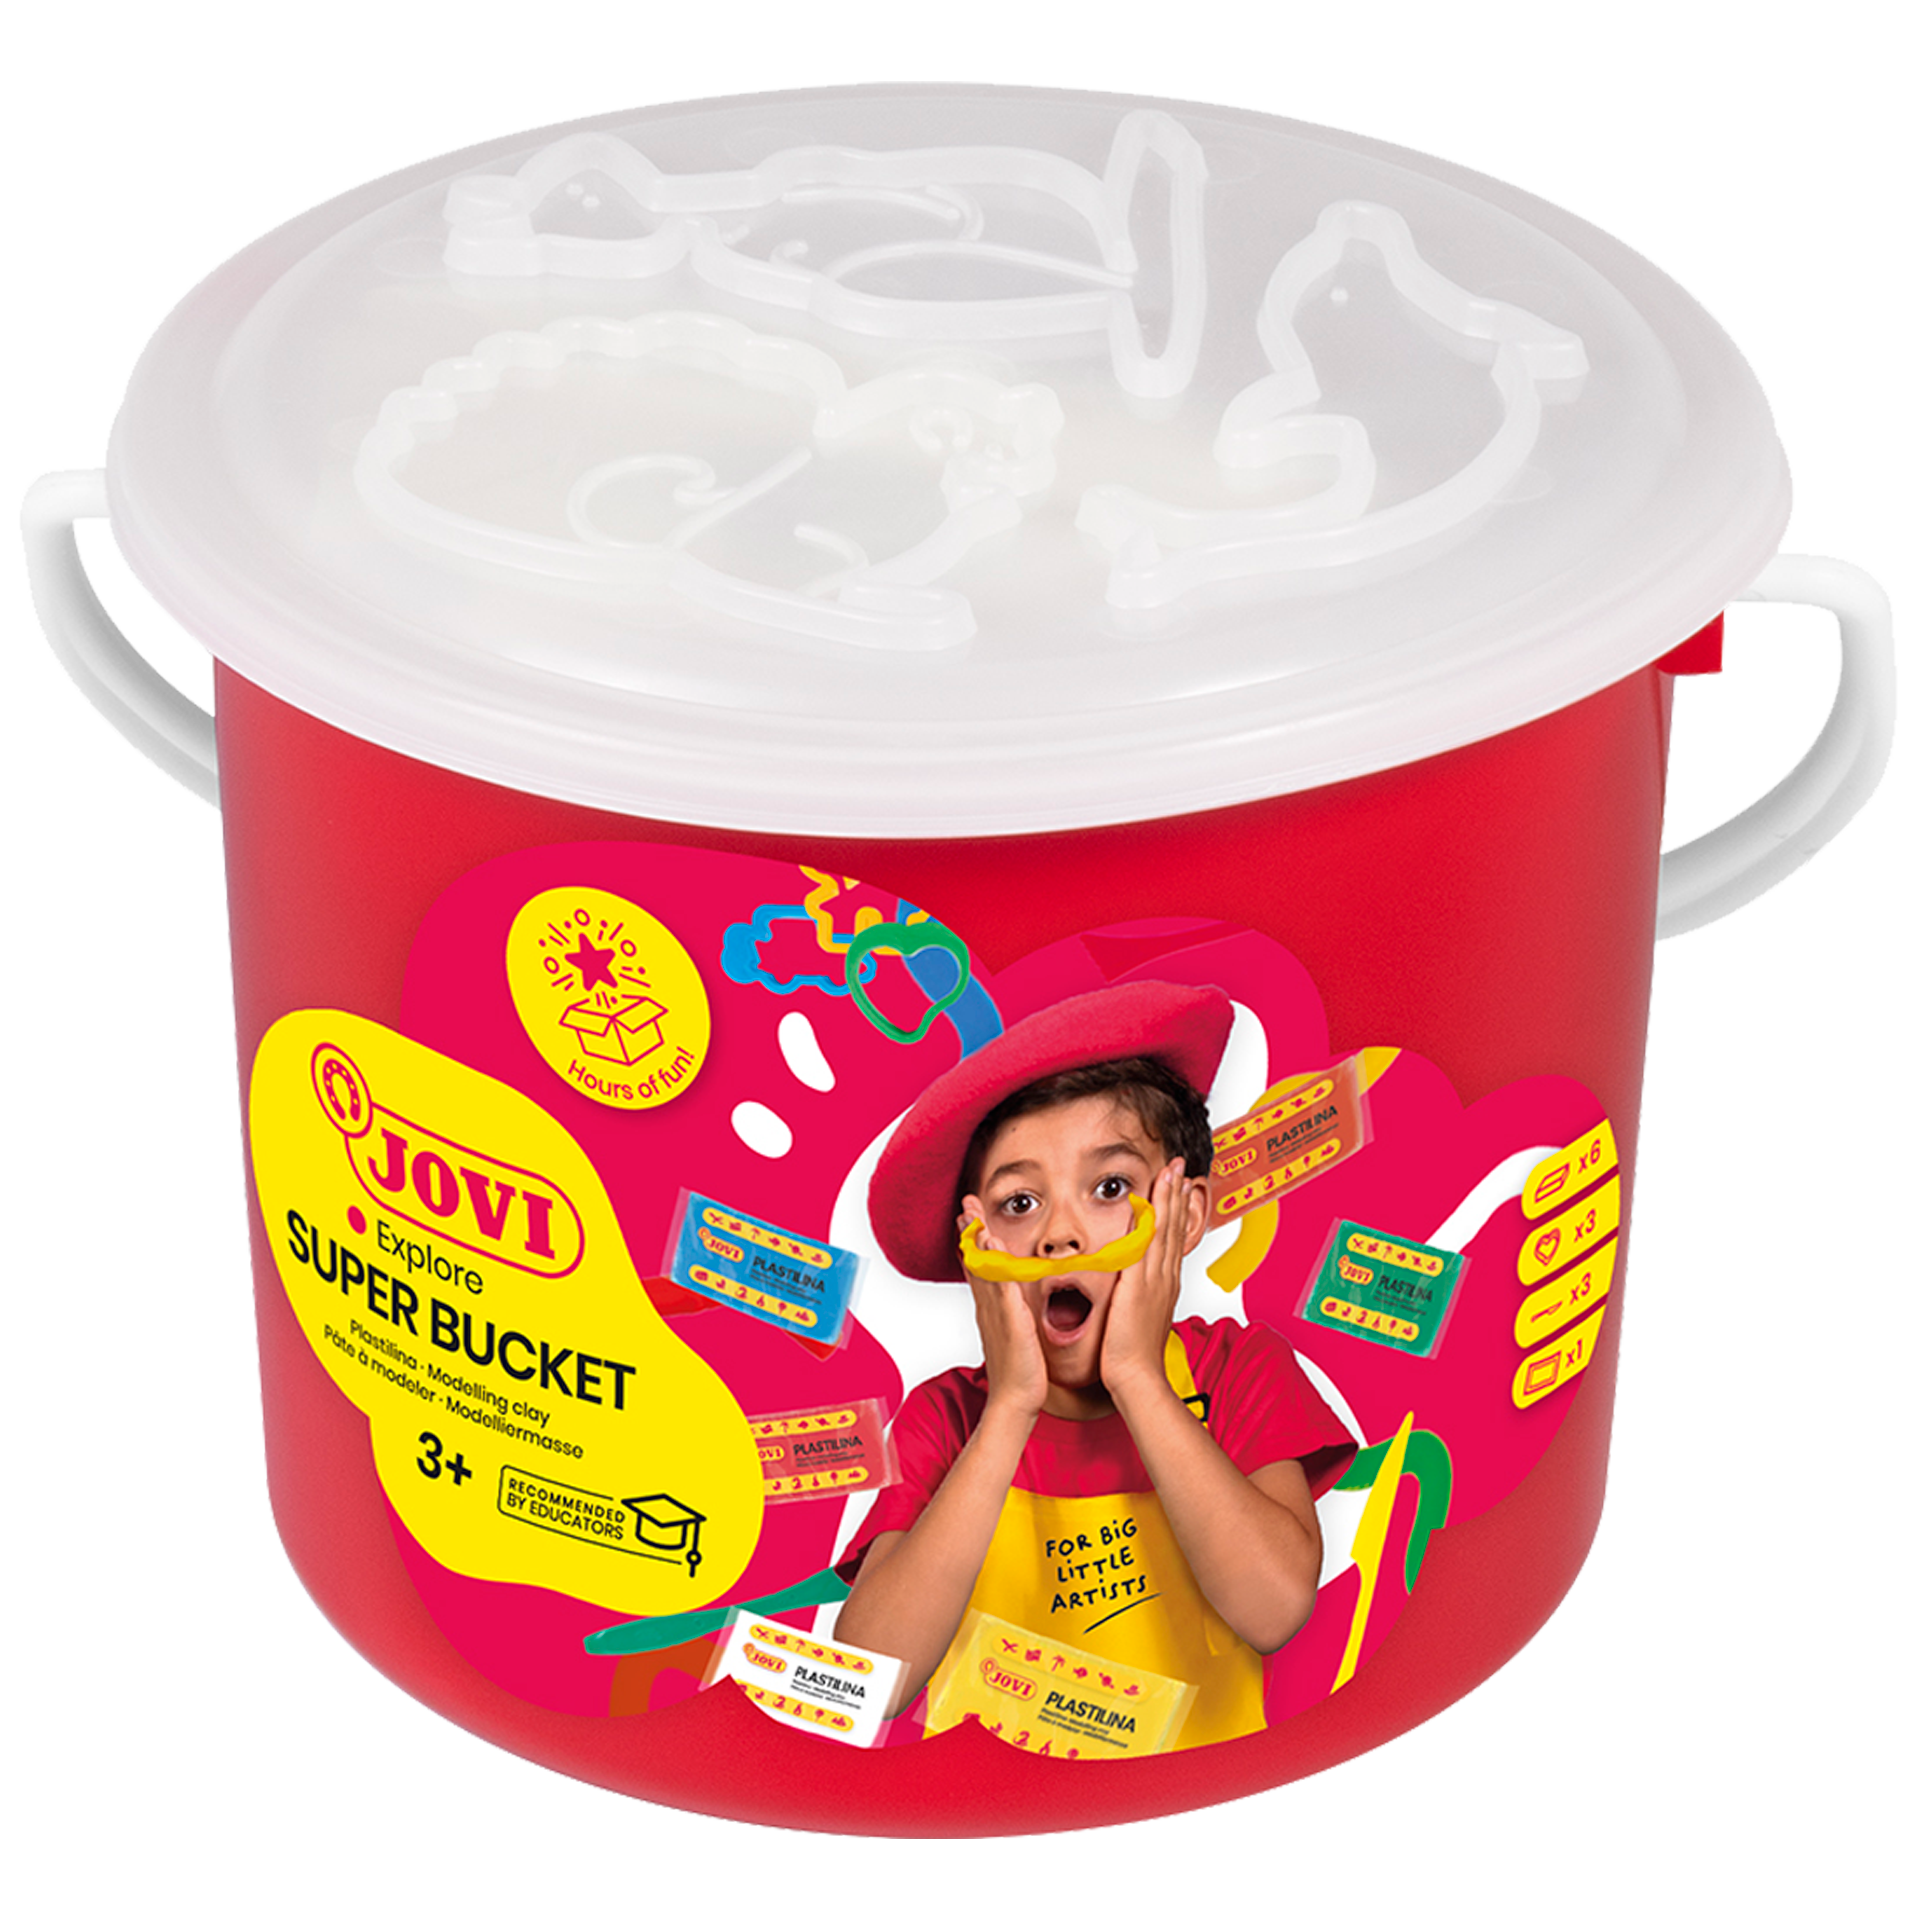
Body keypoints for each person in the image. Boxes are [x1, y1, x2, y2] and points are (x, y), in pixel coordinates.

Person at [836, 979, 1356, 1750]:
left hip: (1197, 1795)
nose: (1060, 1235)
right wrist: (1009, 1407)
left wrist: (1138, 1376)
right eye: (1019, 1203)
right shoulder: (944, 1416)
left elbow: (1274, 1609)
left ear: (1184, 1214)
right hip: (989, 1802)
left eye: (1108, 1187)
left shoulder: (1236, 1367)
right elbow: (870, 1679)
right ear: (976, 1244)